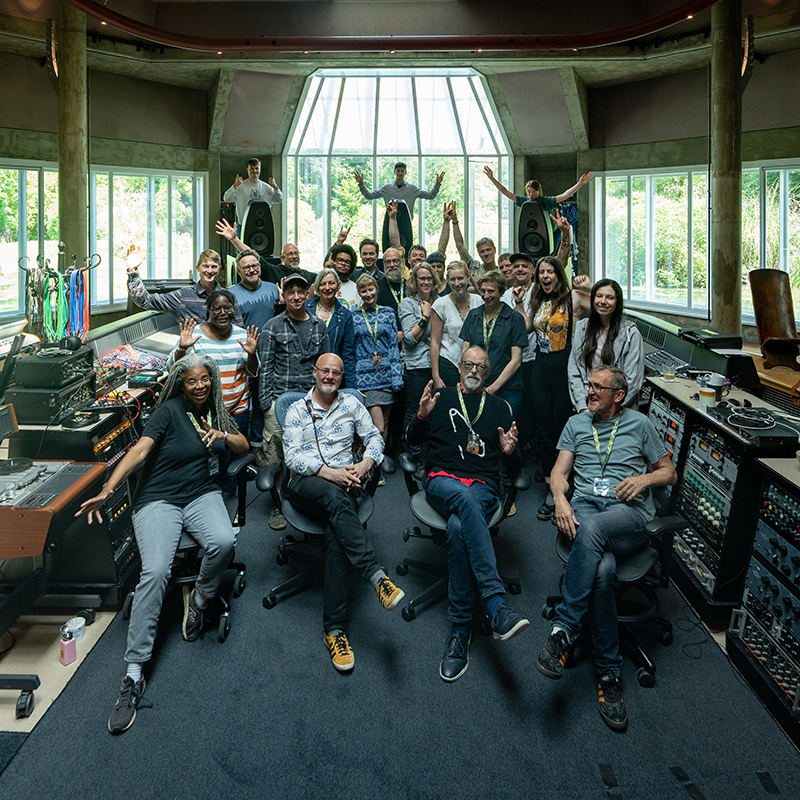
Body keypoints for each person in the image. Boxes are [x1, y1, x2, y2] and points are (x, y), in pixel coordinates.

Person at [76, 355, 249, 734]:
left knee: (223, 542)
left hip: (200, 494)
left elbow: (243, 444)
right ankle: (134, 673)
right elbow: (138, 452)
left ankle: (200, 600)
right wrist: (108, 489)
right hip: (159, 498)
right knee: (155, 572)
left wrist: (221, 436)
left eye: (205, 379)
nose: (200, 386)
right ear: (180, 384)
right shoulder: (168, 411)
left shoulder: (216, 412)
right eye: (192, 381)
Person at [534, 365, 677, 731]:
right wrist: (560, 500)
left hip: (626, 513)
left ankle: (563, 628)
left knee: (594, 530)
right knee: (602, 569)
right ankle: (610, 675)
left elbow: (669, 473)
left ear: (619, 395)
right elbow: (558, 473)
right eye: (589, 385)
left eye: (599, 387)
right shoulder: (576, 424)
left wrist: (644, 478)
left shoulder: (640, 425)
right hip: (583, 506)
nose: (590, 391)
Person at [407, 347, 529, 682]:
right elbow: (411, 442)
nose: (473, 369)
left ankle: (460, 630)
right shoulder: (442, 396)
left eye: (481, 366)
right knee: (461, 499)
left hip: (483, 486)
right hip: (442, 480)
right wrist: (420, 416)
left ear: (487, 373)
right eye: (468, 364)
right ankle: (495, 603)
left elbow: (516, 469)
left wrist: (510, 451)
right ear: (459, 367)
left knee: (461, 524)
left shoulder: (500, 408)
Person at [283, 353, 405, 672]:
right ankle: (376, 576)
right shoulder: (297, 410)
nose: (330, 376)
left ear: (341, 378)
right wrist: (328, 473)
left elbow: (375, 438)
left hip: (346, 483)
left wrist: (367, 463)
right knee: (337, 498)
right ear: (314, 373)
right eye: (325, 370)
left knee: (338, 535)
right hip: (306, 484)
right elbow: (292, 457)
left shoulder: (352, 405)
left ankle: (334, 630)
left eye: (336, 373)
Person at [513, 230, 591, 520]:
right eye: (541, 272)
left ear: (559, 274)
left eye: (550, 272)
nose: (545, 276)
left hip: (565, 371)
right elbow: (527, 328)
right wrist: (521, 303)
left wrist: (589, 284)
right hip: (540, 371)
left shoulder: (572, 298)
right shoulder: (539, 301)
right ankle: (549, 478)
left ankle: (562, 482)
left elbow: (605, 304)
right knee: (542, 428)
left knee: (561, 429)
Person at [258, 273, 331, 530]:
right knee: (276, 451)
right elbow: (264, 367)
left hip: (310, 399)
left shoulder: (319, 326)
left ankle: (306, 499)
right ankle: (277, 504)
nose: (297, 296)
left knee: (310, 449)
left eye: (301, 291)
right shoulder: (273, 326)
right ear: (284, 295)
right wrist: (266, 403)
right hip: (279, 398)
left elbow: (326, 366)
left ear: (308, 293)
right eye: (291, 292)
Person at [170, 290, 259, 435]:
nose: (223, 312)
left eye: (227, 308)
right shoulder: (194, 336)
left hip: (237, 410)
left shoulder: (242, 335)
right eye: (217, 308)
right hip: (205, 410)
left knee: (235, 453)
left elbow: (253, 372)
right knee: (208, 451)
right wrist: (182, 348)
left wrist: (251, 354)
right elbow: (173, 369)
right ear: (209, 311)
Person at [568, 279, 645, 413]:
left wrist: (607, 410)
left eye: (609, 297)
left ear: (617, 302)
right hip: (586, 404)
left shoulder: (630, 334)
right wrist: (582, 407)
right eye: (599, 296)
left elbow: (632, 381)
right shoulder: (582, 328)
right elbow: (574, 372)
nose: (603, 301)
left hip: (616, 409)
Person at [459, 271, 527, 419]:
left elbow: (516, 361)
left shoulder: (515, 318)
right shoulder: (473, 315)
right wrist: (465, 378)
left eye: (491, 291)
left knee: (507, 432)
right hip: (477, 384)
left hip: (508, 388)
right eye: (483, 291)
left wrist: (493, 388)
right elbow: (465, 351)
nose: (486, 295)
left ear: (502, 292)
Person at [228, 250, 279, 446]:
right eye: (246, 267)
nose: (251, 270)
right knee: (241, 403)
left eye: (254, 265)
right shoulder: (231, 293)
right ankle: (240, 445)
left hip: (269, 357)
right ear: (239, 271)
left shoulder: (273, 289)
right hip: (242, 357)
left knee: (261, 403)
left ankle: (257, 445)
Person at [483, 166, 592, 253]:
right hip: (535, 232)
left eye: (534, 192)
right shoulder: (525, 201)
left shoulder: (546, 201)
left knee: (551, 253)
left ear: (538, 191)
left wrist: (579, 184)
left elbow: (564, 195)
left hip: (552, 231)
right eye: (529, 192)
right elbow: (506, 192)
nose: (531, 194)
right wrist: (492, 178)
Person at [126, 247, 242, 326]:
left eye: (214, 267)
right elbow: (146, 301)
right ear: (198, 268)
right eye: (205, 266)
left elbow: (238, 329)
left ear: (220, 268)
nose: (210, 271)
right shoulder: (182, 296)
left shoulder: (229, 297)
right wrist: (133, 271)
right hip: (193, 357)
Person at [352, 273, 403, 443]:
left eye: (371, 289)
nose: (368, 294)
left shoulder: (388, 313)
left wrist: (397, 377)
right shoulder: (353, 316)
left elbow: (394, 346)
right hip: (366, 377)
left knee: (386, 422)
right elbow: (351, 348)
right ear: (359, 293)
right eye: (363, 291)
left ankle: (380, 463)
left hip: (387, 375)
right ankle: (372, 461)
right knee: (377, 426)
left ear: (377, 289)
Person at [398, 261, 442, 457]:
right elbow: (409, 338)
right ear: (415, 281)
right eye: (421, 278)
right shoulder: (407, 303)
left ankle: (432, 453)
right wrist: (425, 316)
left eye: (429, 278)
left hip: (437, 364)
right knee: (414, 408)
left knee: (436, 409)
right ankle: (412, 452)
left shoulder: (440, 301)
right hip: (415, 365)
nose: (425, 282)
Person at [502, 253, 537, 456]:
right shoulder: (506, 295)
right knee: (517, 408)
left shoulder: (540, 293)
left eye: (525, 266)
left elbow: (527, 328)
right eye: (516, 266)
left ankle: (533, 447)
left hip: (533, 358)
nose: (520, 269)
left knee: (533, 406)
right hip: (512, 361)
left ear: (533, 270)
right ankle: (518, 447)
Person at [215, 220, 318, 286]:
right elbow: (252, 254)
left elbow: (324, 279)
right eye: (290, 254)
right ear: (282, 258)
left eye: (296, 254)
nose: (294, 256)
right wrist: (234, 239)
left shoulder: (306, 275)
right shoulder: (273, 271)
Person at [430, 261, 483, 388]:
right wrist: (436, 377)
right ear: (447, 280)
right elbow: (434, 342)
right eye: (453, 279)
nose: (457, 283)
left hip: (475, 364)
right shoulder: (440, 304)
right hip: (449, 363)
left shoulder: (479, 301)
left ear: (468, 277)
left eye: (460, 278)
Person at [307, 267, 357, 389]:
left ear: (338, 285)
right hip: (306, 375)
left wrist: (352, 388)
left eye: (331, 283)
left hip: (332, 376)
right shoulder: (306, 308)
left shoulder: (345, 315)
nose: (327, 287)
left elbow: (348, 353)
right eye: (323, 284)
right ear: (318, 287)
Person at [354, 161, 443, 219]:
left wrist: (437, 184)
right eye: (398, 170)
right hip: (390, 221)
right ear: (394, 172)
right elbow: (369, 196)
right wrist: (361, 183)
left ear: (405, 172)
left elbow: (430, 195)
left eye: (402, 171)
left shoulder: (412, 188)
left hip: (406, 222)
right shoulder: (387, 188)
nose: (400, 173)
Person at [436, 201, 496, 280]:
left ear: (495, 250)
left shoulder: (504, 270)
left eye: (488, 250)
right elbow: (460, 245)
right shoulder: (474, 267)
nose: (486, 254)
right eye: (482, 251)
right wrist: (454, 221)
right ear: (479, 253)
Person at [223, 157, 283, 234]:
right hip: (243, 225)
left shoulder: (267, 188)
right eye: (251, 168)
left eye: (257, 168)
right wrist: (235, 185)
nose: (254, 171)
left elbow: (280, 199)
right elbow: (226, 198)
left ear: (260, 169)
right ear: (247, 170)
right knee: (241, 246)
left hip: (262, 225)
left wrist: (275, 187)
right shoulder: (240, 186)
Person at [329, 243, 362, 310]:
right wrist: (326, 270)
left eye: (347, 262)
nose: (343, 264)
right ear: (333, 261)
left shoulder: (355, 288)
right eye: (340, 260)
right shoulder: (324, 286)